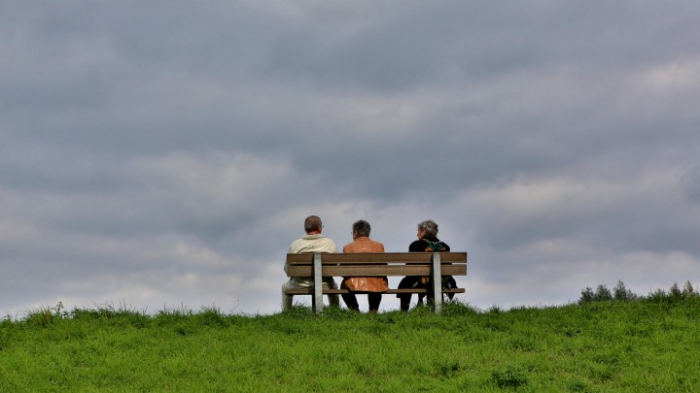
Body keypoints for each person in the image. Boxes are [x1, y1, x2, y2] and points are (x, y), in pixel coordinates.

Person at [282, 215, 340, 310]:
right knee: (334, 287)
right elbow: (335, 267)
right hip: (325, 284)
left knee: (285, 288)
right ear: (319, 227)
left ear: (306, 229)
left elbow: (287, 269)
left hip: (300, 284)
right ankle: (335, 312)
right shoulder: (329, 243)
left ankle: (286, 314)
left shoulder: (295, 244)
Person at [397, 219, 457, 311]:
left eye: (418, 231)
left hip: (422, 281)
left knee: (405, 283)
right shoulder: (445, 246)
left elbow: (409, 268)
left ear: (424, 231)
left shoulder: (416, 245)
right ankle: (436, 307)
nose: (417, 234)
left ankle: (404, 311)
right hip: (442, 281)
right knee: (435, 280)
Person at [340, 220, 388, 313]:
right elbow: (384, 266)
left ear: (355, 233)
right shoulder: (379, 246)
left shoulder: (347, 247)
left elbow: (343, 270)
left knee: (343, 286)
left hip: (353, 283)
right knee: (376, 281)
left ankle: (355, 311)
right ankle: (373, 312)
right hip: (376, 282)